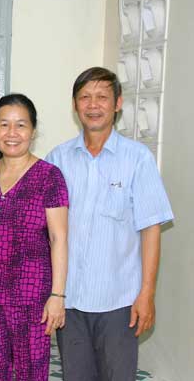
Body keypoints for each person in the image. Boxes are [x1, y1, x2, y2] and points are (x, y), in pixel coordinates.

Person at [46, 67, 174, 381]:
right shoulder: (57, 160)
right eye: (85, 97)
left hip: (120, 303)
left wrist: (147, 294)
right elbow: (45, 232)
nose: (93, 105)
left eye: (102, 97)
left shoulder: (138, 159)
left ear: (117, 103)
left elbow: (151, 230)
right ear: (74, 105)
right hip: (70, 300)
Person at [0, 94, 69, 380]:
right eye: (4, 125)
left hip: (32, 297)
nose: (12, 133)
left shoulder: (49, 176)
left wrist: (57, 295)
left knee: (32, 373)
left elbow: (59, 238)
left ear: (33, 131)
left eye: (21, 125)